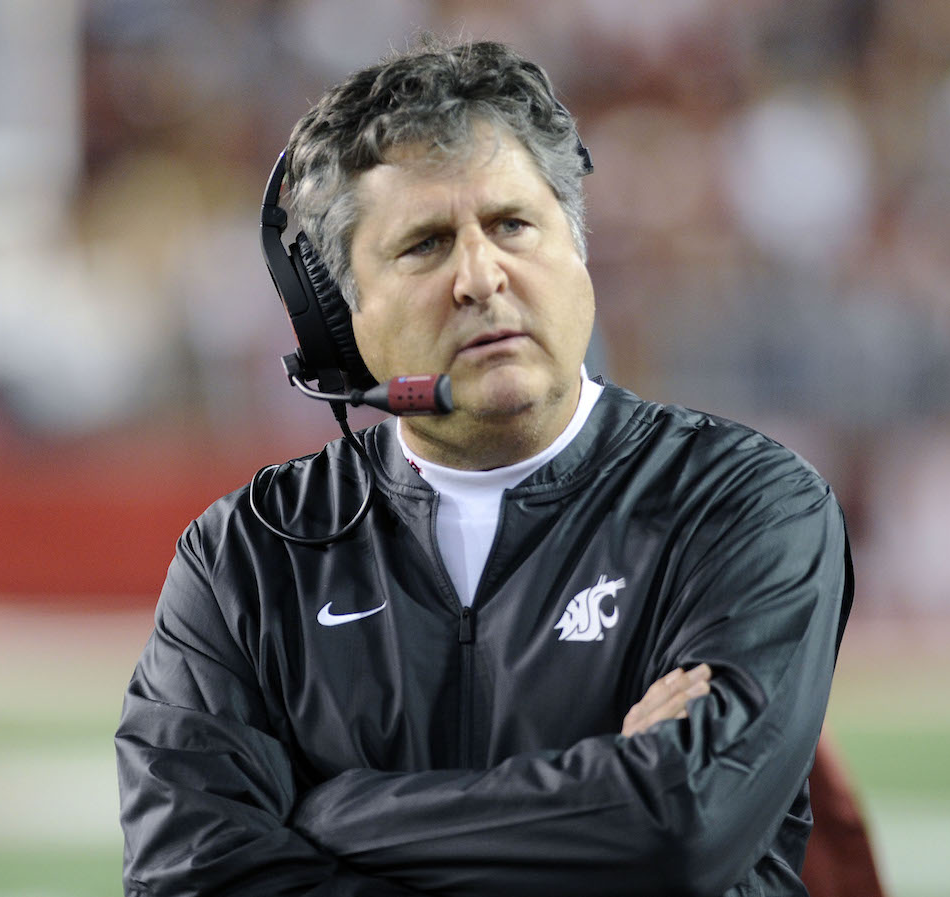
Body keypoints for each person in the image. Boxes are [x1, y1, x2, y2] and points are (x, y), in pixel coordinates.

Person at [116, 37, 854, 897]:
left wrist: (331, 814)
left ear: (578, 253)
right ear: (339, 316)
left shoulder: (745, 505)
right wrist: (606, 800)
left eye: (511, 225)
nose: (480, 276)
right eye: (426, 244)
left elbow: (683, 823)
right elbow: (188, 876)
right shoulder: (247, 556)